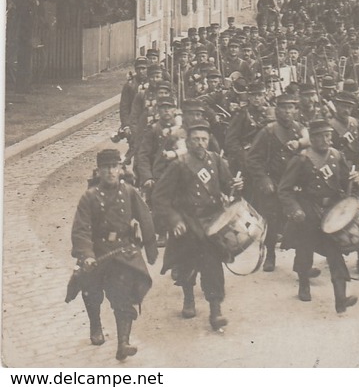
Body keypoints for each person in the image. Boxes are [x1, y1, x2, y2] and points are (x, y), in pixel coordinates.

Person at [68, 147, 157, 362]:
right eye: (105, 167)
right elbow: (81, 230)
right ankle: (95, 324)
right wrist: (87, 254)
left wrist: (150, 247)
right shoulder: (89, 197)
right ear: (98, 171)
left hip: (121, 252)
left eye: (114, 166)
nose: (110, 171)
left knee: (123, 297)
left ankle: (123, 344)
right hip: (97, 253)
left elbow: (145, 218)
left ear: (120, 168)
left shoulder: (128, 192)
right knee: (92, 292)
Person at [152, 120, 240, 330]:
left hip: (211, 222)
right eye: (196, 140)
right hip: (188, 222)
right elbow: (159, 197)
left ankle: (215, 310)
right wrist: (174, 220)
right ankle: (188, 298)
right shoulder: (179, 165)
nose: (200, 143)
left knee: (213, 266)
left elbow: (227, 185)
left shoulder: (216, 160)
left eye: (204, 139)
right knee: (186, 266)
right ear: (188, 142)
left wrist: (235, 186)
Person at [278, 117, 358, 313]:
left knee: (335, 253)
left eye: (329, 136)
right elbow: (284, 190)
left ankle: (341, 298)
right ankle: (304, 283)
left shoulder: (337, 156)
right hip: (308, 211)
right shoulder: (302, 159)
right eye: (321, 136)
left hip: (330, 211)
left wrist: (351, 180)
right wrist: (295, 209)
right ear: (312, 139)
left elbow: (343, 180)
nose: (326, 140)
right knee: (305, 250)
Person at [246, 91, 305, 273]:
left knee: (301, 220)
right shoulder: (268, 132)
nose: (287, 112)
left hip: (294, 182)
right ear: (277, 110)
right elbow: (253, 158)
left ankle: (301, 260)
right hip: (274, 180)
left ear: (295, 110)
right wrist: (263, 178)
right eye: (284, 108)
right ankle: (270, 253)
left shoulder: (300, 130)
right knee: (271, 219)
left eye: (291, 108)